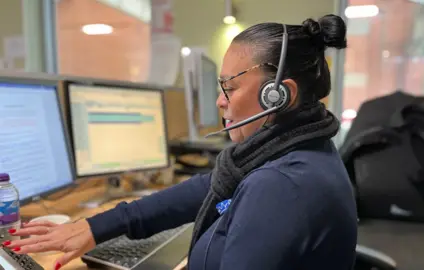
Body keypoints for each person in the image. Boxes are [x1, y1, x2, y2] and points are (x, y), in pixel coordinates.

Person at [5, 14, 357, 270]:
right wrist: (95, 227)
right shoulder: (295, 151)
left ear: (279, 95)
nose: (221, 101)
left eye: (229, 88)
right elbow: (204, 189)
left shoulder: (280, 186)